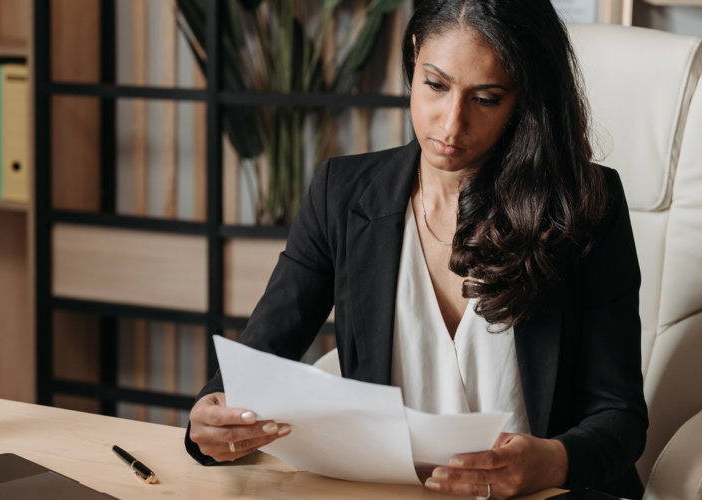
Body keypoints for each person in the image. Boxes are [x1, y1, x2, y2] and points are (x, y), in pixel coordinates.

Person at [185, 0, 647, 498]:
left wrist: (549, 463)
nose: (450, 125)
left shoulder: (583, 207)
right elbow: (257, 362)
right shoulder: (342, 195)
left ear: (524, 100)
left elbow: (620, 418)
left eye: (487, 98)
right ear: (413, 57)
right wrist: (214, 415)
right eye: (435, 85)